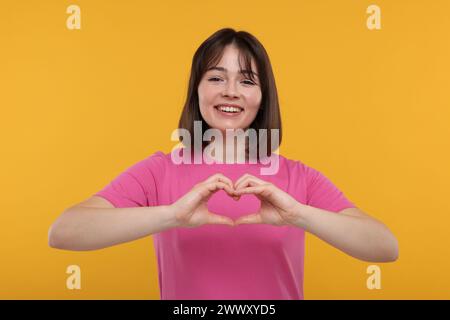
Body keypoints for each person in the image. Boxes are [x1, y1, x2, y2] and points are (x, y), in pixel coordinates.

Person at [48, 28, 398, 300]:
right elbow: (65, 232)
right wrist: (171, 215)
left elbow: (384, 247)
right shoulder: (160, 170)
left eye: (246, 81)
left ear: (262, 98)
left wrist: (299, 215)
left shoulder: (296, 176)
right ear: (196, 91)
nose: (231, 91)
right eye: (216, 78)